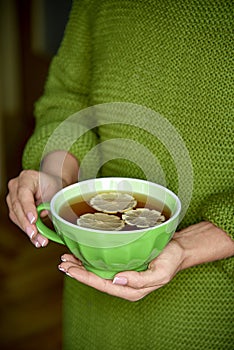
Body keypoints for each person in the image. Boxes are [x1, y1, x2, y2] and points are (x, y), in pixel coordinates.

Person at [6, 0, 234, 349]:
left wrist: (188, 246)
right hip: (91, 293)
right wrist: (55, 176)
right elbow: (70, 96)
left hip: (215, 305)